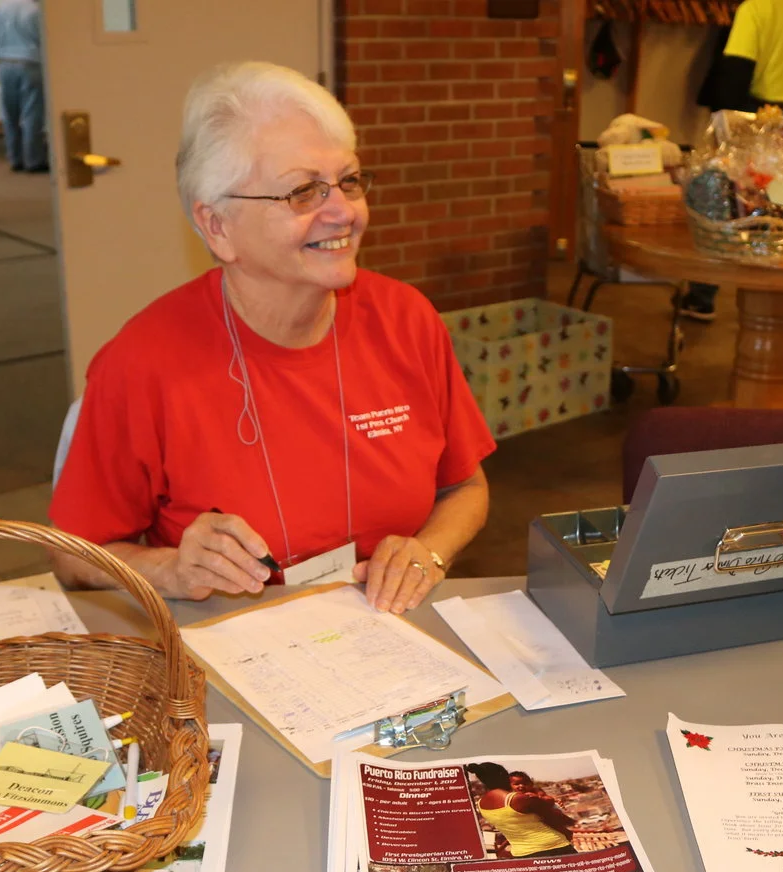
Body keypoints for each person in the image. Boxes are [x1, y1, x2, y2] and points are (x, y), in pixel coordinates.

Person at [50, 63, 495, 613]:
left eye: (349, 181)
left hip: (386, 632)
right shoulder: (143, 364)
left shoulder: (406, 320)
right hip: (228, 644)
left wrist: (428, 553)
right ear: (217, 227)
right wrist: (169, 568)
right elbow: (71, 556)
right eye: (304, 192)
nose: (344, 212)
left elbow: (465, 488)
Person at [689, 0, 783, 323]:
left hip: (758, 115)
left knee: (724, 206)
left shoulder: (755, 9)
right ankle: (776, 294)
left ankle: (702, 296)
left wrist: (728, 129)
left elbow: (735, 71)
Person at [466, 762, 576, 858]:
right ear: (504, 776)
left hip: (522, 853)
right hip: (553, 847)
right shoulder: (517, 798)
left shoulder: (480, 804)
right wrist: (566, 830)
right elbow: (555, 817)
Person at [0, 0, 47, 173]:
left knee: (9, 115)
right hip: (31, 63)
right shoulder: (36, 10)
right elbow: (44, 39)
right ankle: (33, 160)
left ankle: (15, 158)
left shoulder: (1, 8)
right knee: (32, 114)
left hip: (4, 64)